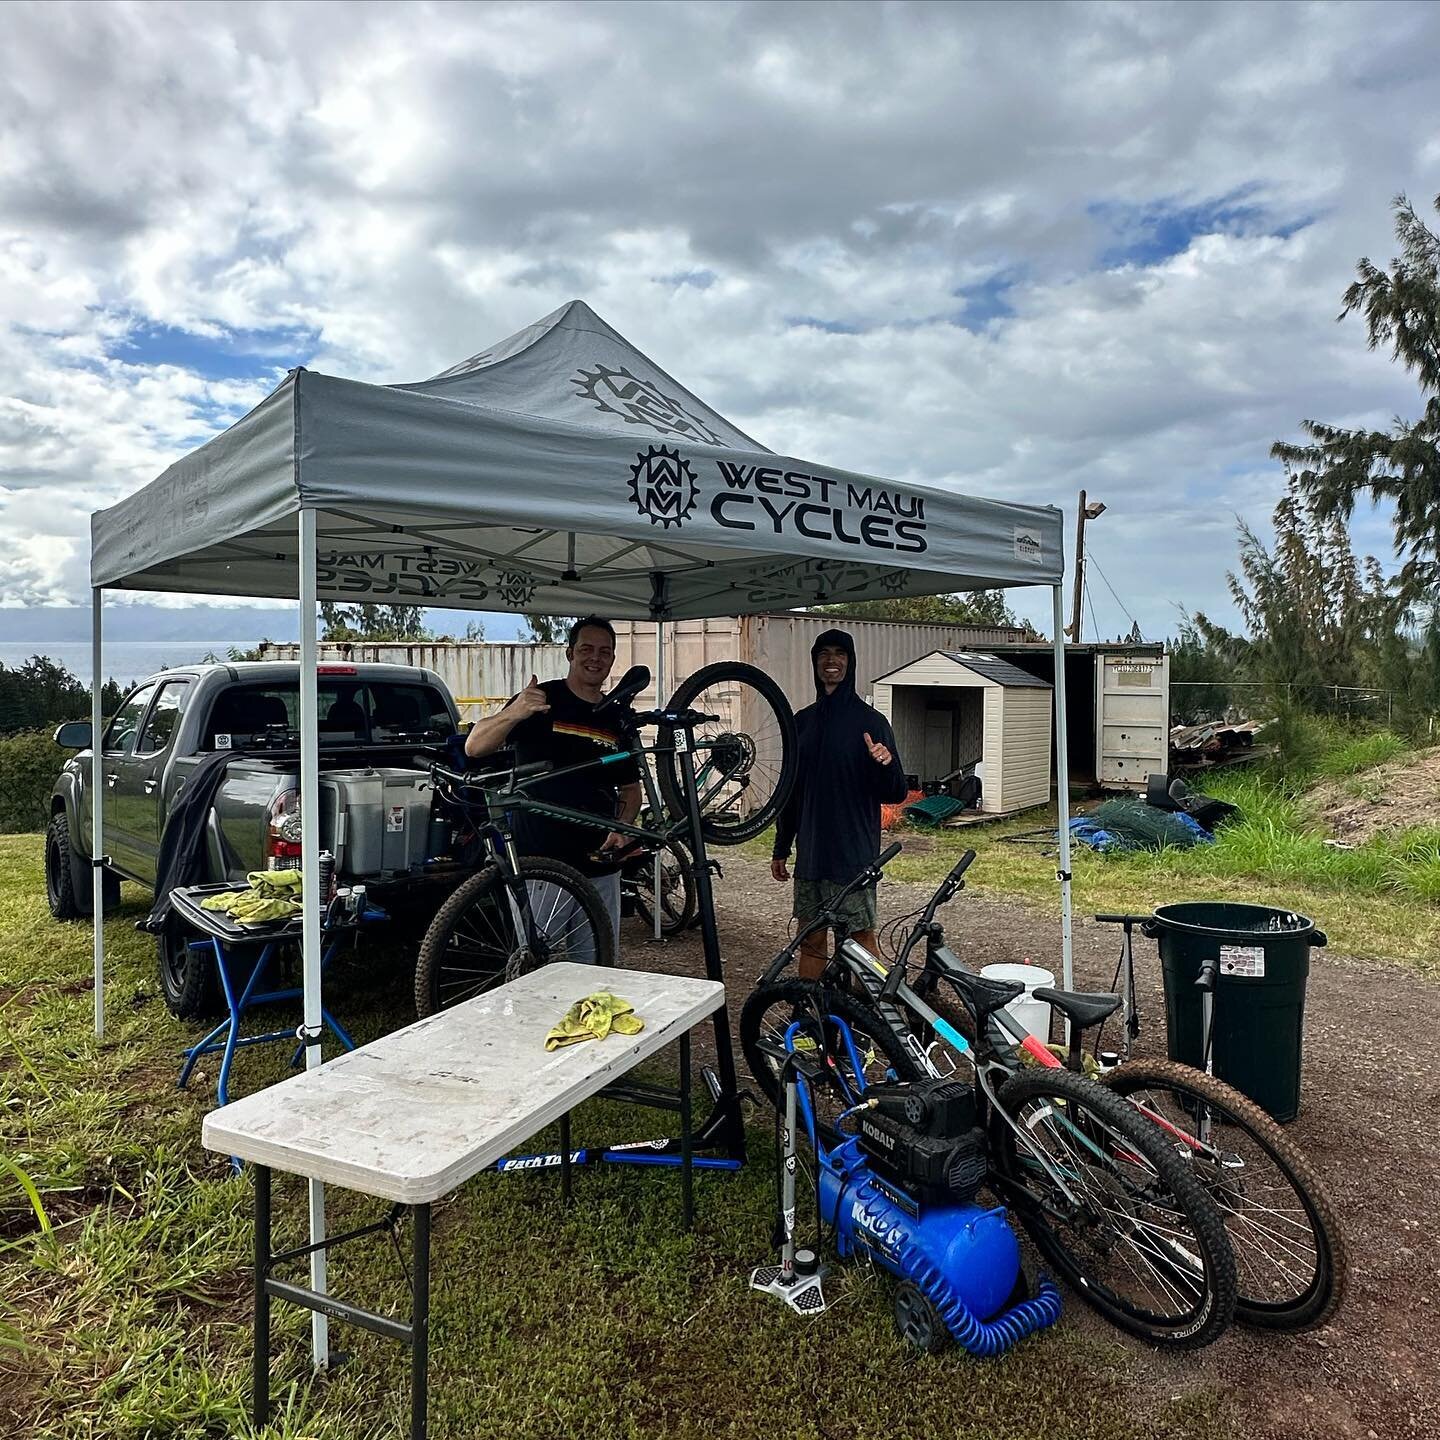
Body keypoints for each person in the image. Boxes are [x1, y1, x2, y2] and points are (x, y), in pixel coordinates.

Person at [464, 616, 641, 951]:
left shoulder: (616, 718)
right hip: (543, 867)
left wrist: (623, 827)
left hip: (600, 870)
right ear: (570, 653)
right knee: (539, 972)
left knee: (599, 970)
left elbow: (631, 790)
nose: (595, 658)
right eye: (586, 649)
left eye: (605, 652)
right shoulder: (541, 699)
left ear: (613, 660)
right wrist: (513, 712)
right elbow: (474, 747)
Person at [771, 628, 907, 979]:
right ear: (815, 662)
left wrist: (886, 763)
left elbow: (896, 794)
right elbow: (791, 791)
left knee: (860, 944)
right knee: (811, 941)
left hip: (854, 857)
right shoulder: (801, 723)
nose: (831, 660)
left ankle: (873, 1019)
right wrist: (781, 846)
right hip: (812, 856)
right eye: (824, 654)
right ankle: (809, 1016)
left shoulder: (871, 722)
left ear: (851, 662)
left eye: (839, 654)